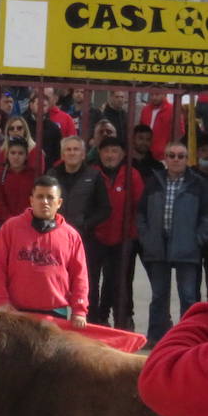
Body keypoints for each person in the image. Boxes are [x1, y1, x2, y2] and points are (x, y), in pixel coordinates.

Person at [138, 141, 208, 346]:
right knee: (159, 296)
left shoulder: (198, 183)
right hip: (158, 247)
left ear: (187, 160)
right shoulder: (153, 182)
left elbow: (206, 216)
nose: (176, 159)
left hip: (187, 247)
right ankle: (156, 338)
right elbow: (141, 213)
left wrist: (198, 239)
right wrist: (146, 236)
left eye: (180, 156)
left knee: (188, 297)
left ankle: (188, 339)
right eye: (172, 155)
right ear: (165, 158)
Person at [89, 137, 143, 329]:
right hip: (95, 236)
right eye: (106, 151)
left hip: (122, 237)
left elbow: (139, 206)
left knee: (117, 282)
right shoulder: (92, 173)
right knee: (91, 283)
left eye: (115, 151)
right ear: (100, 153)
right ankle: (93, 322)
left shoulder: (131, 175)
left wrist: (132, 233)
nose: (110, 155)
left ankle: (121, 322)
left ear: (123, 154)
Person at [49, 135, 111, 249]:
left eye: (76, 149)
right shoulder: (52, 175)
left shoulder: (94, 176)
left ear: (83, 155)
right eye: (68, 149)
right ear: (62, 155)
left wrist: (86, 225)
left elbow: (104, 209)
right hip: (55, 236)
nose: (72, 153)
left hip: (84, 239)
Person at [0, 139, 38, 225]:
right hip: (6, 224)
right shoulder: (0, 175)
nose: (16, 157)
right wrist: (10, 221)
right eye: (13, 153)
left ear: (26, 156)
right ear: (7, 155)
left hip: (29, 223)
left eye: (20, 153)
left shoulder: (34, 176)